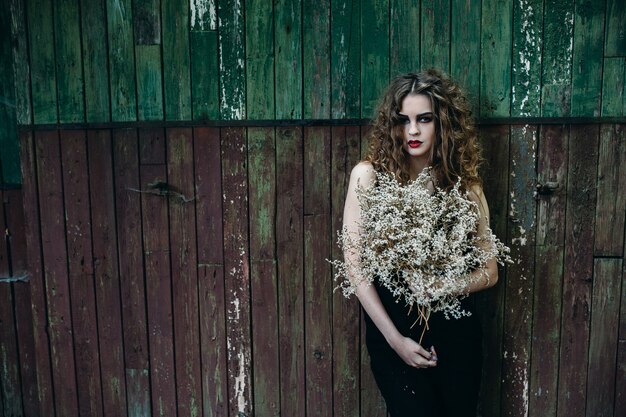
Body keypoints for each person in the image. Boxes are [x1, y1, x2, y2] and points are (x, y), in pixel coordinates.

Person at [342, 69, 499, 416]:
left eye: (424, 119)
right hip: (395, 335)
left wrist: (444, 285)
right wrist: (395, 342)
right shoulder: (368, 177)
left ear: (443, 123)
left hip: (457, 336)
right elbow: (354, 267)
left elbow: (490, 272)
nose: (412, 131)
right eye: (403, 120)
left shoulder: (465, 188)